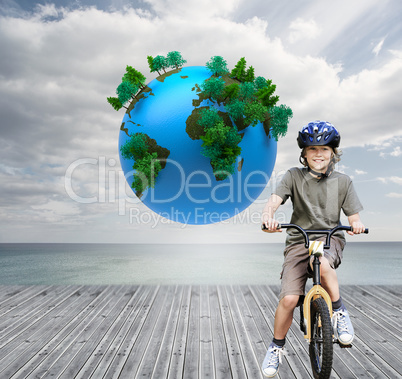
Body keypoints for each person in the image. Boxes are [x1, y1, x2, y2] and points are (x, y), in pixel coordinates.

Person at [260, 121, 365, 378]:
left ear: (333, 153)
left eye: (325, 149)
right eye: (313, 148)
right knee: (289, 299)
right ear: (304, 153)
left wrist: (356, 225)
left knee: (323, 263)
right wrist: (268, 216)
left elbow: (353, 216)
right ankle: (276, 347)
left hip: (329, 239)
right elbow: (273, 202)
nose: (319, 154)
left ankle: (339, 311)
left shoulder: (343, 181)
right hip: (299, 241)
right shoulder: (293, 176)